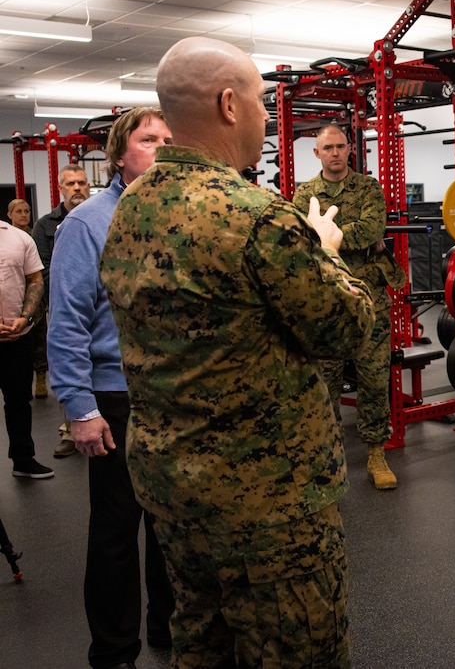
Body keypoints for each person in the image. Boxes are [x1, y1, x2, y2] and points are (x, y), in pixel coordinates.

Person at [99, 36, 375, 668]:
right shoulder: (255, 216)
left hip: (175, 492)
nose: (266, 117)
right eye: (258, 100)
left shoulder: (130, 208)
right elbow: (346, 330)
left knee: (201, 643)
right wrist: (325, 250)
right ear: (229, 104)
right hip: (268, 505)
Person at [48, 107, 175, 668]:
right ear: (120, 155)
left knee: (172, 525)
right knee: (117, 533)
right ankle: (115, 652)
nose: (162, 148)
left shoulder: (182, 213)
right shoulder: (88, 223)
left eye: (169, 139)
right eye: (150, 139)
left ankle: (169, 630)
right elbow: (67, 321)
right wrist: (79, 407)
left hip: (175, 393)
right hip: (117, 396)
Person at [293, 124, 406, 490]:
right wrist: (339, 235)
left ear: (349, 149)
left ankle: (376, 453)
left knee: (375, 380)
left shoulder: (368, 188)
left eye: (341, 146)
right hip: (326, 301)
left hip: (369, 298)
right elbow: (301, 237)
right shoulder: (305, 192)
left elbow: (373, 228)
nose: (336, 153)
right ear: (317, 153)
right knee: (324, 384)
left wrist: (329, 235)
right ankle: (328, 457)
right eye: (328, 147)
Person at [32, 163, 90, 458]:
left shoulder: (99, 217)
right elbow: (42, 269)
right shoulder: (45, 225)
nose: (77, 188)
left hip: (98, 307)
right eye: (71, 184)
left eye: (82, 182)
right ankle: (71, 428)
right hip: (65, 307)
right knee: (70, 367)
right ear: (61, 188)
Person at [0, 210, 51, 478]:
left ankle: (23, 459)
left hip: (17, 336)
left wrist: (26, 317)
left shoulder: (19, 238)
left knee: (19, 400)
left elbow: (35, 280)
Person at [7, 199, 49, 401]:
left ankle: (40, 378)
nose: (24, 215)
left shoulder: (34, 236)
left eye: (27, 211)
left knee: (39, 338)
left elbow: (38, 273)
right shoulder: (7, 238)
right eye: (19, 211)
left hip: (33, 296)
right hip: (12, 296)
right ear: (10, 215)